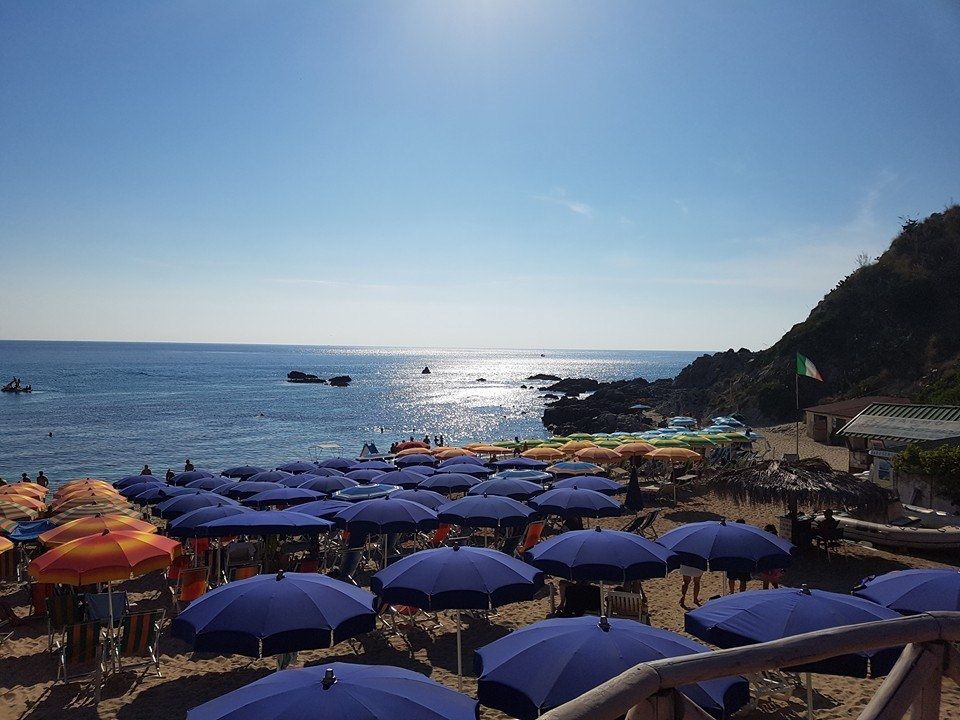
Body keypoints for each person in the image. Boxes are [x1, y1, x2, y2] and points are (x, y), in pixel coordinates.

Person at [756, 524, 786, 589]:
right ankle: (776, 590)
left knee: (766, 581)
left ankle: (766, 593)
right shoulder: (777, 539)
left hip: (766, 561)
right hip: (775, 562)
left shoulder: (764, 539)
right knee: (774, 580)